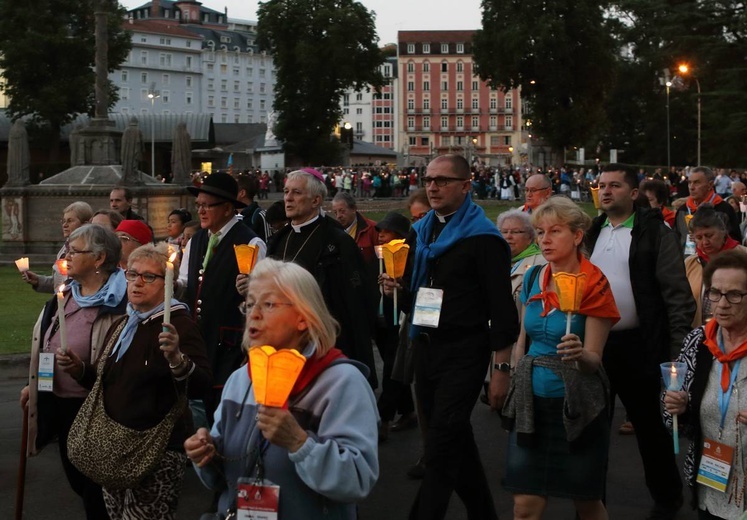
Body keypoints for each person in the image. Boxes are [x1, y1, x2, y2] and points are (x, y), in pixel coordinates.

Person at [184, 258, 379, 520]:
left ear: (302, 317)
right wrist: (207, 456)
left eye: (268, 304)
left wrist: (299, 443)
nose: (254, 314)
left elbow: (358, 479)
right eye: (250, 303)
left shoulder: (342, 383)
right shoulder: (240, 380)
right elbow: (221, 479)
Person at [382, 154, 518, 520]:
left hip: (465, 349)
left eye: (442, 180)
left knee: (440, 446)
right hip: (425, 346)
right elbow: (415, 291)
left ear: (466, 186)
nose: (433, 186)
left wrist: (502, 367)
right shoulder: (421, 231)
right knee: (453, 438)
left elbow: (502, 308)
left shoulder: (484, 238)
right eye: (428, 179)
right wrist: (393, 288)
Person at [67, 243, 211, 518]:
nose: (137, 283)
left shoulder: (179, 326)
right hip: (114, 450)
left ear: (168, 282)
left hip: (155, 453)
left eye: (149, 277)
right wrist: (80, 370)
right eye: (132, 274)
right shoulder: (124, 324)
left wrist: (178, 360)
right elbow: (107, 381)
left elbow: (202, 384)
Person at [587, 164, 696, 520]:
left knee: (651, 430)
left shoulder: (654, 232)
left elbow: (677, 296)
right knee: (591, 430)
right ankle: (590, 503)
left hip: (641, 345)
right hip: (596, 347)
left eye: (614, 185)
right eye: (601, 185)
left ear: (633, 193)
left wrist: (676, 354)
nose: (605, 191)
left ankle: (667, 499)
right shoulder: (592, 231)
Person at [502, 196, 620, 520]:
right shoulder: (532, 277)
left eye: (555, 231)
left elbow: (595, 360)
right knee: (525, 506)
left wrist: (580, 354)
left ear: (577, 236)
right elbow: (522, 338)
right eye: (540, 232)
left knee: (586, 501)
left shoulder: (595, 283)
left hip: (578, 403)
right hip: (532, 401)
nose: (545, 240)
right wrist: (512, 373)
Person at [21, 224, 127, 519]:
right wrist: (36, 385)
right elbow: (45, 343)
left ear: (98, 258)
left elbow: (122, 367)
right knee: (78, 482)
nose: (66, 254)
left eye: (75, 250)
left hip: (97, 410)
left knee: (96, 491)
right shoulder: (65, 293)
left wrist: (83, 370)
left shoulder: (121, 302)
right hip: (60, 405)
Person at [267, 168, 377, 386]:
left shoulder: (338, 242)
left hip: (326, 340)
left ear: (316, 200)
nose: (288, 198)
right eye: (286, 191)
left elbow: (356, 299)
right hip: (285, 339)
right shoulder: (279, 239)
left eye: (296, 193)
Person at [663, 249, 747, 519]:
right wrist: (678, 406)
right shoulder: (699, 341)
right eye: (714, 293)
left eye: (734, 295)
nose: (721, 304)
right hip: (711, 478)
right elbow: (672, 419)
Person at [178, 172, 266, 421]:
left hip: (229, 344)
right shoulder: (196, 240)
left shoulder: (250, 243)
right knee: (196, 406)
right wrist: (172, 285)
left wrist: (252, 289)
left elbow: (260, 299)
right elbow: (186, 282)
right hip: (199, 340)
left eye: (207, 206)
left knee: (223, 410)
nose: (201, 211)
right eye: (199, 205)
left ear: (227, 208)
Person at [490, 209, 546, 405]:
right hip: (496, 344)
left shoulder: (540, 264)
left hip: (521, 346)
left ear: (531, 236)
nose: (508, 237)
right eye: (503, 231)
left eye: (516, 232)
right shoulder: (497, 261)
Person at [374, 211, 416, 441]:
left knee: (393, 369)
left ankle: (384, 418)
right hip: (381, 319)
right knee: (395, 366)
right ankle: (408, 412)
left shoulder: (408, 257)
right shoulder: (380, 256)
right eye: (379, 231)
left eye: (386, 231)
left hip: (398, 320)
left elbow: (407, 292)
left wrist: (395, 287)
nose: (381, 236)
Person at [684, 206, 747, 328]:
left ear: (723, 232)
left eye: (709, 235)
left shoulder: (743, 257)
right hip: (701, 331)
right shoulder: (690, 263)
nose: (705, 242)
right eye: (699, 237)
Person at [21, 202, 92, 293]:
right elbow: (60, 282)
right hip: (61, 304)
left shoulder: (88, 251)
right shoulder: (63, 250)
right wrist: (38, 281)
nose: (64, 225)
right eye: (63, 221)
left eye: (70, 221)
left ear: (85, 224)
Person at [674, 167, 742, 255]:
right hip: (689, 265)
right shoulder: (682, 210)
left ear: (710, 185)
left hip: (717, 263)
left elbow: (735, 241)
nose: (691, 187)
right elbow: (676, 240)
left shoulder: (724, 209)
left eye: (697, 183)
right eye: (689, 183)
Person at [332, 191, 378, 266]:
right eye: (335, 212)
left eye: (342, 211)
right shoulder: (333, 232)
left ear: (353, 209)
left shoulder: (372, 228)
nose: (338, 216)